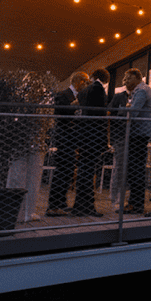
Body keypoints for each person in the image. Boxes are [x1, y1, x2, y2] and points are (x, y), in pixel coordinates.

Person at [46, 71, 89, 215]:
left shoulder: (80, 96)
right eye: (86, 82)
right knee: (62, 170)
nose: (87, 85)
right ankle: (53, 205)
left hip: (74, 137)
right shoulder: (63, 94)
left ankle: (62, 203)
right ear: (79, 81)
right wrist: (75, 105)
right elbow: (59, 112)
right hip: (64, 137)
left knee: (69, 171)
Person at [74, 68, 110, 215]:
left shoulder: (84, 91)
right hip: (94, 135)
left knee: (84, 170)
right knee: (89, 171)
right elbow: (100, 114)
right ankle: (86, 206)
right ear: (105, 79)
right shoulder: (98, 89)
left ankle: (79, 205)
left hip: (84, 135)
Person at [121, 68, 151, 213]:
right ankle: (134, 203)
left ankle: (136, 205)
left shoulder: (141, 91)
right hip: (141, 133)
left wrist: (124, 109)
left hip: (138, 133)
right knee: (136, 169)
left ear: (136, 77)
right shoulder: (142, 89)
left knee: (135, 170)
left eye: (128, 79)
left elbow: (133, 112)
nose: (125, 82)